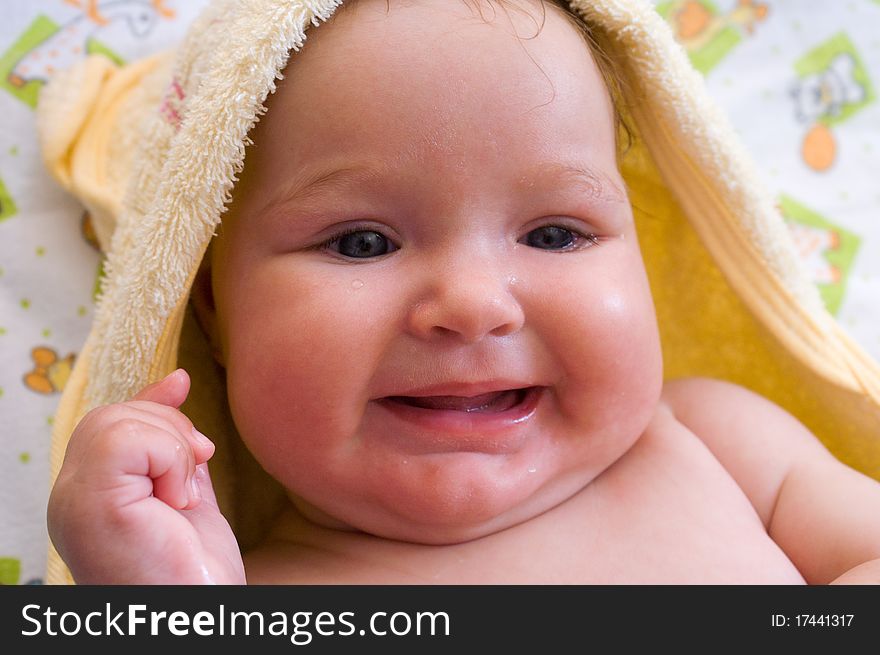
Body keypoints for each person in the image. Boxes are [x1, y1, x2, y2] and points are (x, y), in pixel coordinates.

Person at [45, 0, 880, 584]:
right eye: (362, 242)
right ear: (211, 313)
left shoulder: (718, 444)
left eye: (555, 233)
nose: (475, 303)